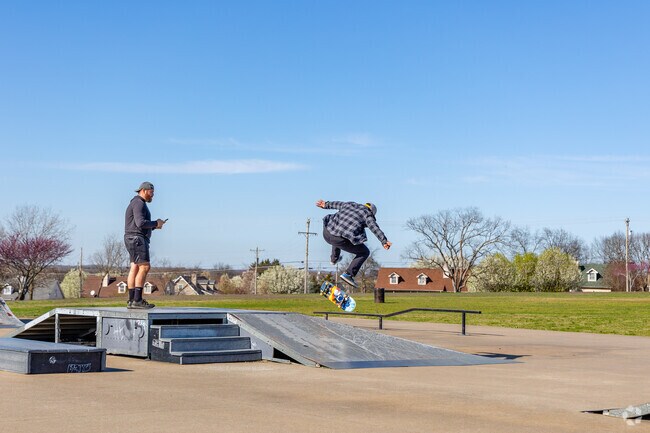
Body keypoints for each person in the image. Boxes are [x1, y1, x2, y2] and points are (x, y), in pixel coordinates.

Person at [316, 200, 392, 287]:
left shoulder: (350, 204)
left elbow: (337, 204)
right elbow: (374, 228)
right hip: (339, 240)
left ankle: (334, 258)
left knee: (338, 230)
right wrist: (384, 241)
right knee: (364, 252)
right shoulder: (367, 215)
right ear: (372, 212)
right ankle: (348, 274)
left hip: (326, 232)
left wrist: (326, 204)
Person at [124, 181, 167, 309]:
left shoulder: (135, 203)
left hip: (131, 237)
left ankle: (132, 300)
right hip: (137, 239)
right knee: (145, 267)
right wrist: (155, 223)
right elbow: (140, 223)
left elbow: (139, 225)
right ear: (144, 190)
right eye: (151, 193)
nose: (152, 196)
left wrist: (154, 227)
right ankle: (137, 300)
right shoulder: (139, 203)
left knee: (135, 268)